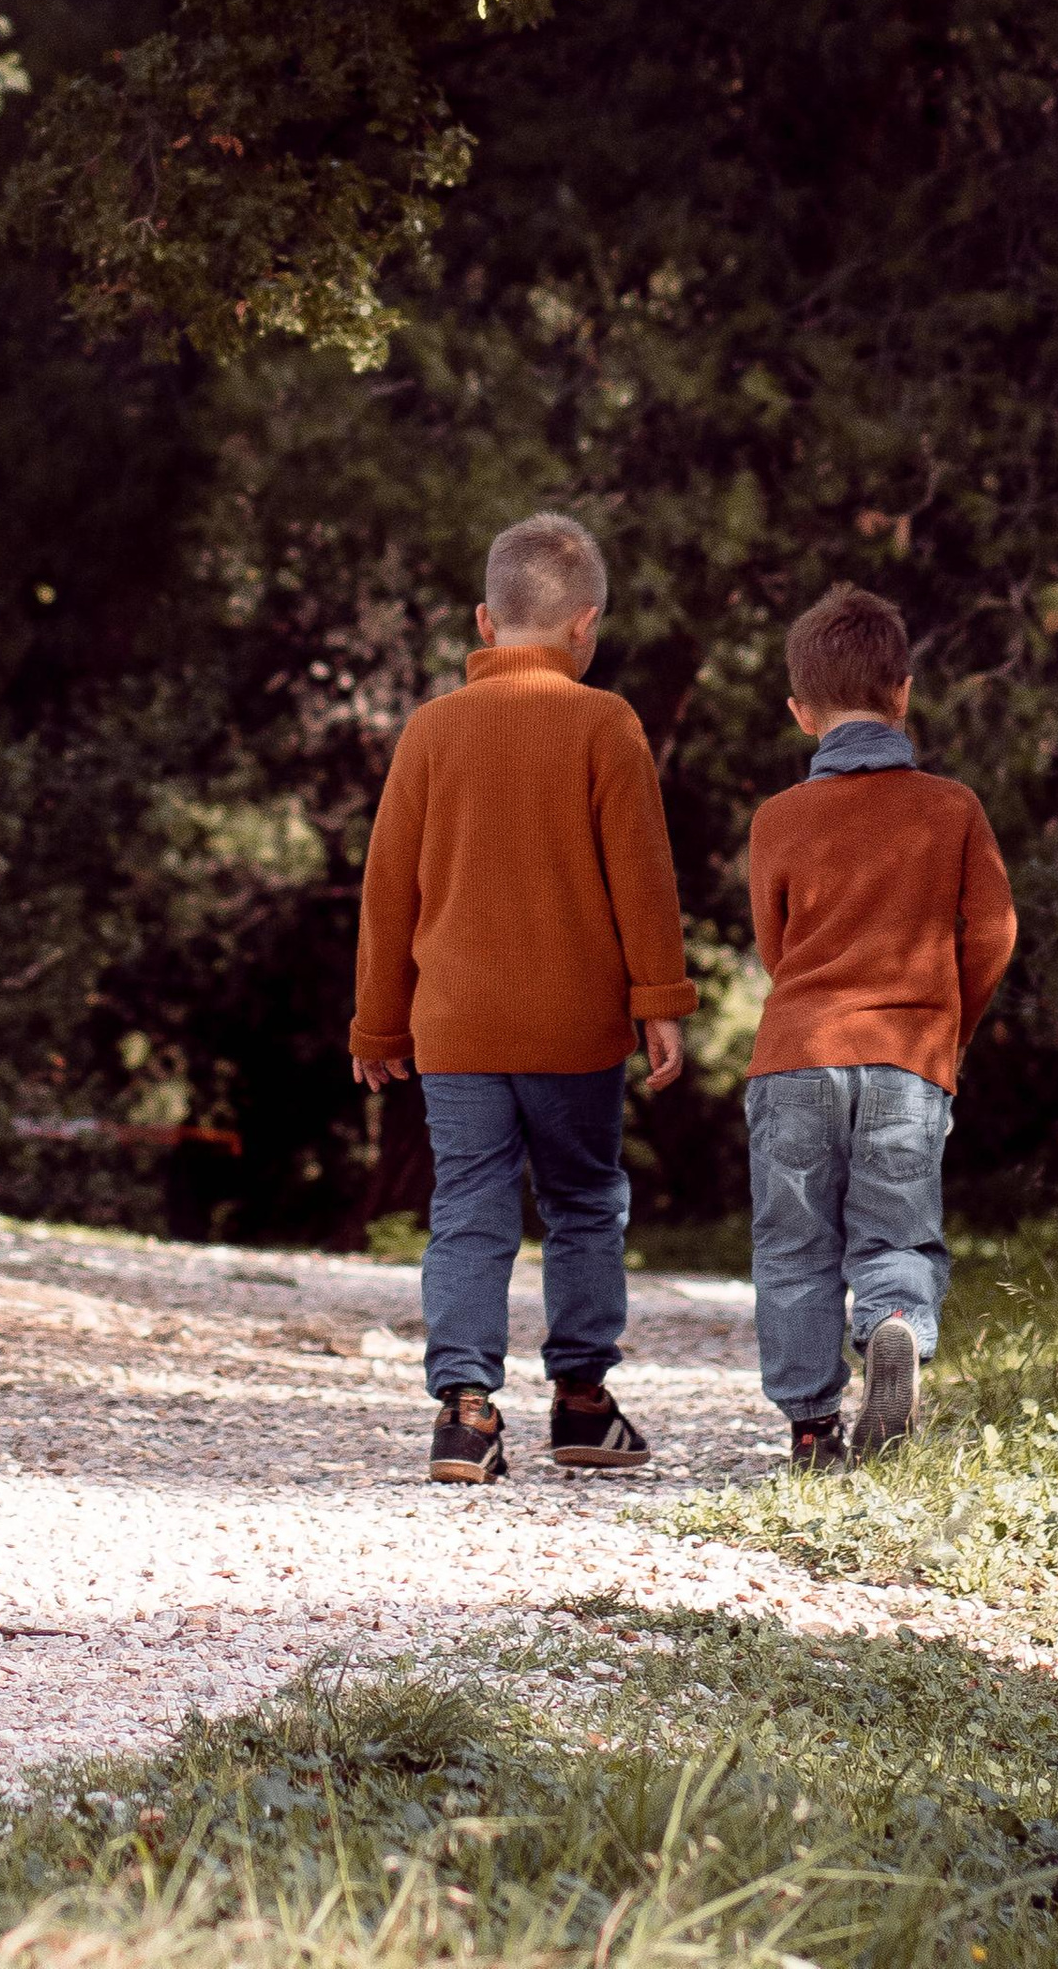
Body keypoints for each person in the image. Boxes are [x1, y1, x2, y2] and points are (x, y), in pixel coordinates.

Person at [350, 509, 696, 1485]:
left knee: (467, 1207)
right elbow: (643, 878)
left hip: (456, 1027)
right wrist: (658, 1000)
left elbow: (389, 889)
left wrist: (377, 1021)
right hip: (573, 1027)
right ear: (586, 626)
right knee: (583, 1203)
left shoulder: (431, 730)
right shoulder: (604, 722)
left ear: (484, 621)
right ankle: (582, 1403)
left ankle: (465, 1416)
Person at [744, 581, 1016, 1471]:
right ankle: (894, 1321)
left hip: (796, 1056)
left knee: (795, 1245)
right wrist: (950, 1028)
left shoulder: (778, 819)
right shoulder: (952, 807)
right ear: (903, 692)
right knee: (895, 1231)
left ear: (799, 712)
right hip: (907, 1060)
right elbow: (995, 932)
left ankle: (812, 1431)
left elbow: (776, 946)